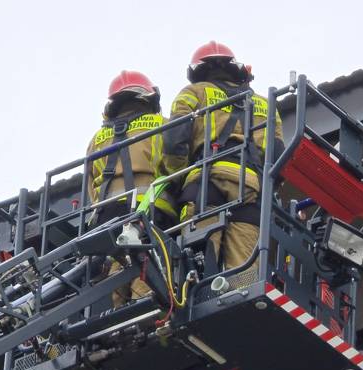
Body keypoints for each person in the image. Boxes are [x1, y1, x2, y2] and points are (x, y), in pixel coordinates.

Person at [162, 41, 284, 272]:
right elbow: (278, 153)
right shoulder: (265, 104)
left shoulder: (192, 93)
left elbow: (174, 141)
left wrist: (176, 179)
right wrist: (268, 188)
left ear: (196, 72)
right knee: (243, 267)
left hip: (206, 181)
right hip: (250, 186)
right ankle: (239, 294)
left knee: (198, 261)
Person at [86, 70, 177, 306]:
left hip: (107, 217)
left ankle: (118, 316)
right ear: (148, 99)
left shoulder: (96, 139)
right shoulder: (162, 125)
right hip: (150, 210)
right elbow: (176, 166)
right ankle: (144, 312)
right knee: (146, 268)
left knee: (118, 271)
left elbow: (90, 187)